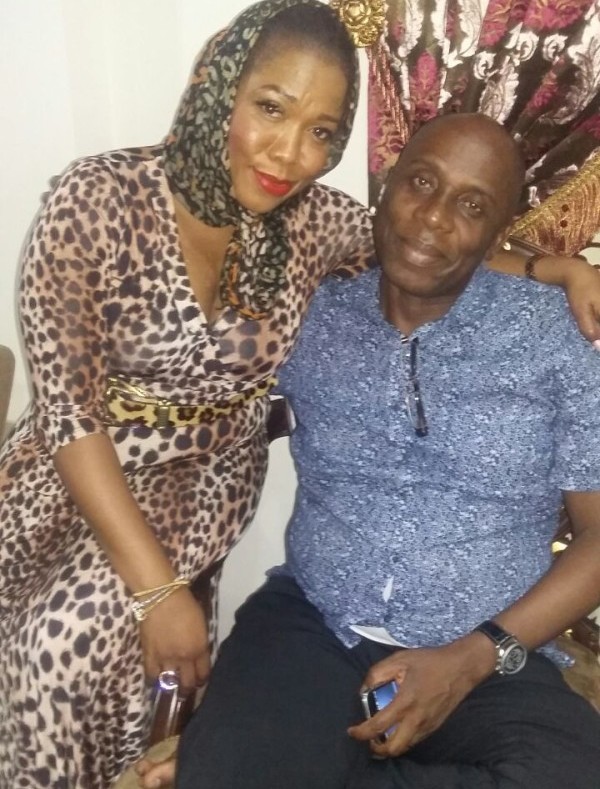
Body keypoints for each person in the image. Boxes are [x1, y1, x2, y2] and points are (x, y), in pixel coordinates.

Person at [0, 1, 597, 785]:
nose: (290, 151)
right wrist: (158, 592)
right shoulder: (115, 204)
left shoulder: (322, 230)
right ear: (219, 81)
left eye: (320, 130)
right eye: (272, 108)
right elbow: (70, 409)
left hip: (455, 636)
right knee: (64, 649)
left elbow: (427, 243)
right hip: (152, 518)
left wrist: (558, 268)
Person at [174, 114, 600, 789]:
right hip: (316, 625)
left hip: (489, 655)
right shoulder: (310, 313)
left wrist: (473, 657)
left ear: (498, 232)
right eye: (421, 183)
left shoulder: (557, 338)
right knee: (233, 766)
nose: (432, 219)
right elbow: (180, 392)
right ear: (386, 186)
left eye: (471, 206)